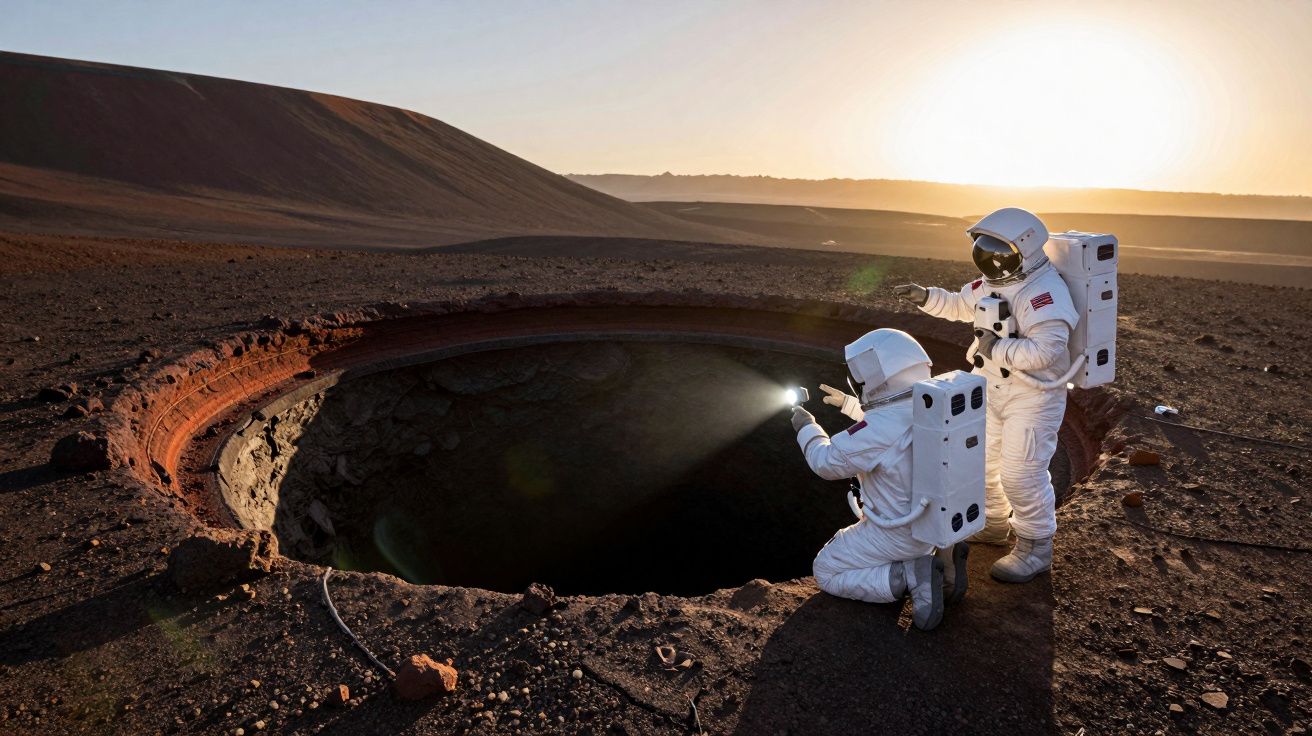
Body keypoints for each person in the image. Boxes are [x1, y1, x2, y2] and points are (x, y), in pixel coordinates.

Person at [892, 207, 1078, 583]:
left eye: (998, 251)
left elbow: (1047, 352)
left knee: (1021, 473)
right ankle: (993, 525)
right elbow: (962, 305)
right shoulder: (992, 283)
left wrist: (995, 349)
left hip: (1033, 395)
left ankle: (1035, 546)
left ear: (1022, 249)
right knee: (982, 463)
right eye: (984, 249)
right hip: (991, 387)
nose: (990, 259)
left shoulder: (1044, 294)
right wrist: (925, 296)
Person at [790, 328, 969, 631]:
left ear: (880, 375)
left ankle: (910, 575)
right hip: (939, 520)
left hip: (898, 532)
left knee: (826, 570)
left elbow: (825, 462)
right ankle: (945, 556)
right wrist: (849, 404)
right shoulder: (937, 403)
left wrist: (806, 427)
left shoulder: (879, 430)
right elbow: (892, 424)